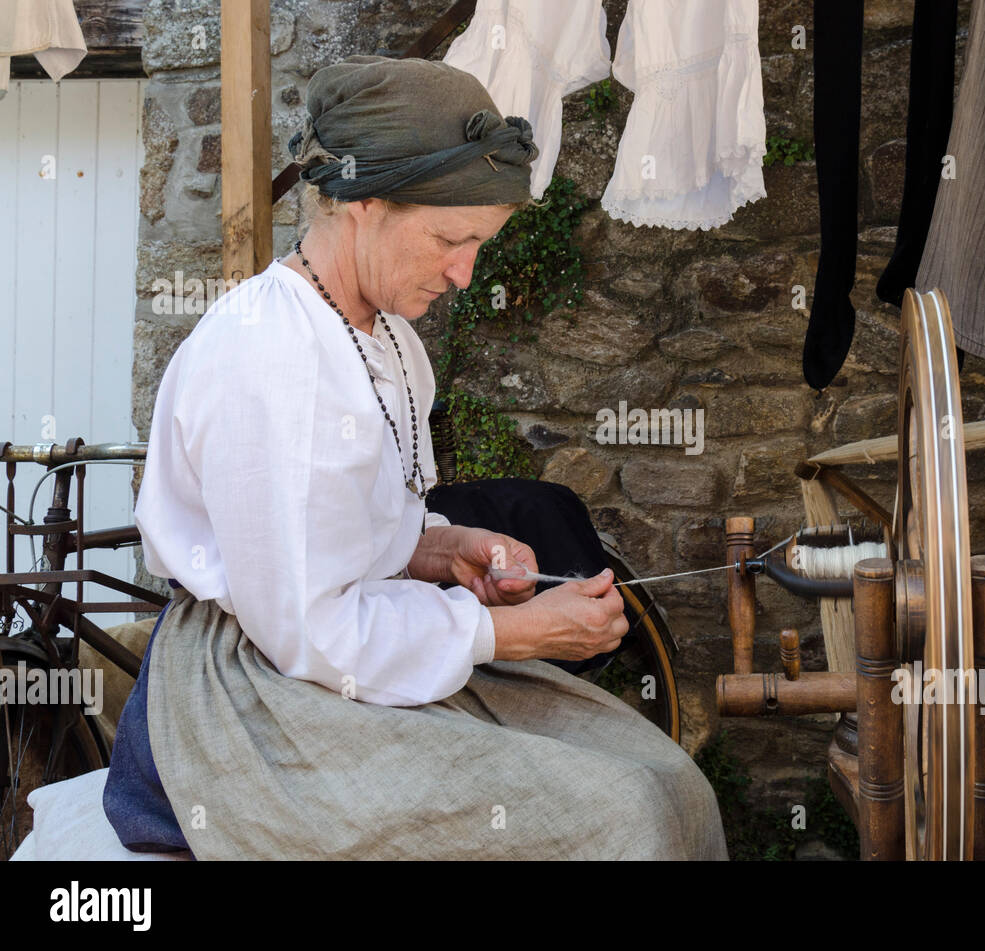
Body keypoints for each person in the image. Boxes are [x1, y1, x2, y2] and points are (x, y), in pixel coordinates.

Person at [102, 55, 728, 861]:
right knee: (617, 813)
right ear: (364, 204)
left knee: (667, 778)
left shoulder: (390, 337)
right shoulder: (267, 356)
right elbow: (312, 629)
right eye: (449, 239)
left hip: (357, 651)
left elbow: (363, 529)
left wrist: (441, 546)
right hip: (256, 690)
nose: (464, 273)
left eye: (478, 245)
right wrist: (514, 635)